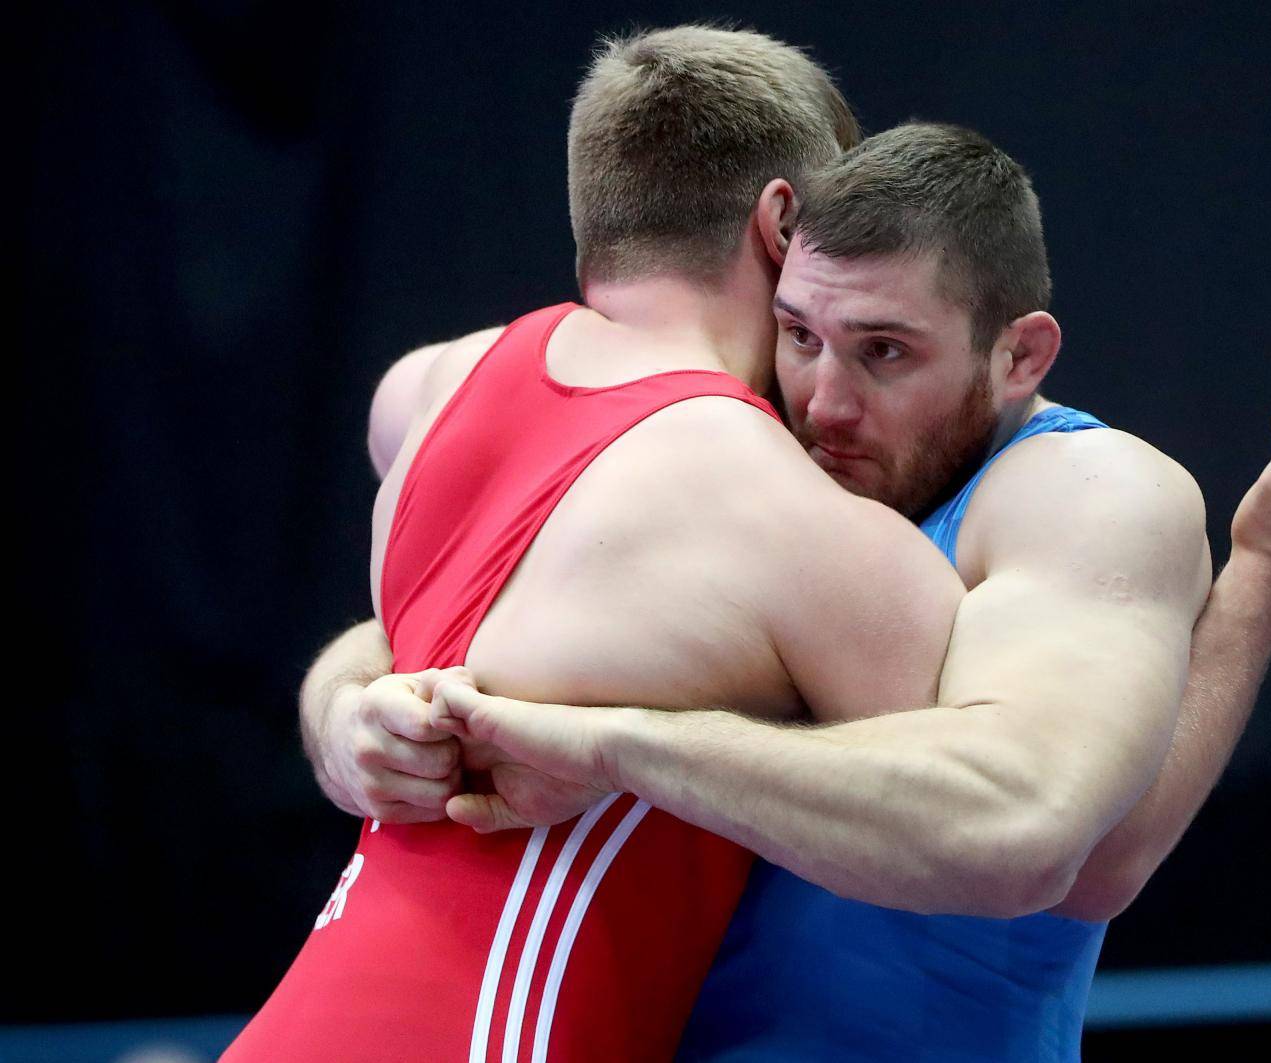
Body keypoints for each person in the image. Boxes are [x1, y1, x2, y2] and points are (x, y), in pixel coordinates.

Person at [303, 119, 1271, 1060]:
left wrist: (1261, 577)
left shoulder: (1083, 491)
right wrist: (351, 706)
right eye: (799, 335)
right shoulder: (762, 445)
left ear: (1020, 355)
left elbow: (1076, 852)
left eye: (883, 352)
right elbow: (475, 599)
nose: (824, 397)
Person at [224, 27, 972, 1063]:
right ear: (783, 222)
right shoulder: (783, 510)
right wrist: (1255, 576)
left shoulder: (424, 393)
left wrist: (342, 707)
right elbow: (1038, 830)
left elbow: (449, 634)